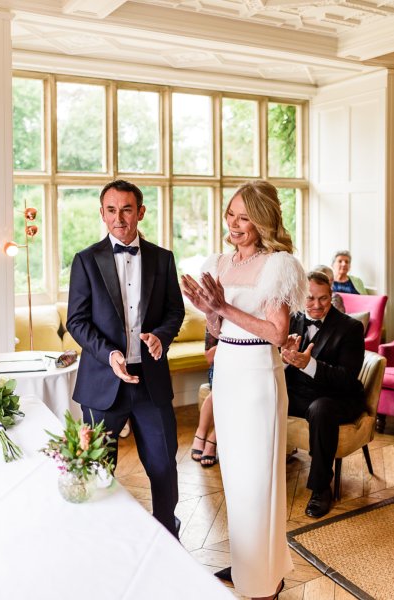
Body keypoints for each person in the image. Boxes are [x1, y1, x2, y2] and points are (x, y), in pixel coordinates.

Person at [181, 180, 307, 600]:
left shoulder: (278, 265)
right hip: (228, 372)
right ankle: (249, 564)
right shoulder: (219, 262)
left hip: (258, 377)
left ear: (263, 219)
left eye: (245, 217)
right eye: (231, 215)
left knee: (257, 481)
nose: (235, 224)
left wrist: (223, 307)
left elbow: (276, 332)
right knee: (234, 480)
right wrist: (209, 314)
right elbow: (218, 328)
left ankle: (264, 580)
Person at [67, 179, 185, 538]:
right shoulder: (86, 261)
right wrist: (110, 354)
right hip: (103, 382)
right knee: (99, 468)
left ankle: (167, 531)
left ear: (141, 212)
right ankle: (101, 536)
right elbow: (77, 320)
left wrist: (160, 337)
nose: (120, 218)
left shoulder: (163, 259)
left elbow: (174, 312)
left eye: (127, 209)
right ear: (102, 214)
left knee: (164, 464)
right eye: (112, 210)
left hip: (151, 383)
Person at [282, 271, 366, 518]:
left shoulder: (350, 327)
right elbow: (277, 365)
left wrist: (309, 364)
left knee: (321, 409)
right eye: (310, 298)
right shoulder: (289, 320)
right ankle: (263, 470)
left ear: (332, 296)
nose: (317, 305)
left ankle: (320, 489)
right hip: (299, 394)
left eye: (324, 299)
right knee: (266, 396)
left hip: (337, 397)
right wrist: (285, 359)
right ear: (300, 298)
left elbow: (346, 378)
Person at [191, 329, 218, 468]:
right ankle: (200, 433)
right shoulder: (216, 315)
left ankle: (212, 439)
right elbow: (209, 357)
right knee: (219, 392)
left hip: (249, 366)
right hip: (221, 365)